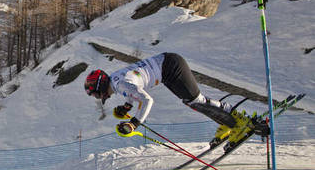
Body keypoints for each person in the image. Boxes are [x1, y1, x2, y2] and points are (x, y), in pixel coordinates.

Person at [84, 53, 268, 144]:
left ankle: (240, 120)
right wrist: (127, 106)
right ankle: (229, 122)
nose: (95, 97)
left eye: (94, 93)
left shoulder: (119, 84)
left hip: (171, 68)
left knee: (196, 101)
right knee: (192, 103)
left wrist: (134, 123)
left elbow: (147, 100)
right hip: (167, 68)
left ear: (100, 87)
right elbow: (134, 90)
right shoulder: (116, 81)